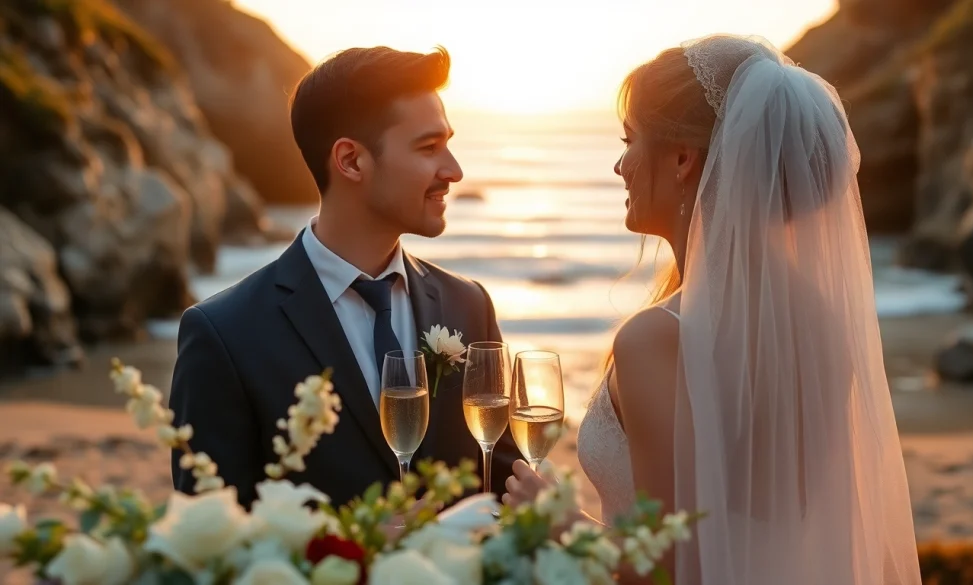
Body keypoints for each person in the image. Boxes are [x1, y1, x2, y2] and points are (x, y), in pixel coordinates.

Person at [503, 34, 923, 585]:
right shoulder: (824, 323)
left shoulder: (658, 337)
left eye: (630, 141)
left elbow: (672, 566)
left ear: (682, 158)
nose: (618, 165)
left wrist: (560, 524)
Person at [168, 46, 519, 510]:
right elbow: (211, 542)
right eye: (428, 147)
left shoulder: (469, 305)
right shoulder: (225, 336)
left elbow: (502, 486)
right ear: (351, 161)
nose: (453, 170)